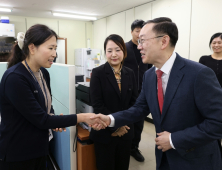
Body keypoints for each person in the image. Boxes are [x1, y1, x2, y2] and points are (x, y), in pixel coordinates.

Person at [90, 17, 222, 170]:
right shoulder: (150, 75)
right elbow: (139, 108)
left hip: (195, 161)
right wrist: (109, 119)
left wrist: (173, 139)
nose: (138, 47)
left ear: (164, 41)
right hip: (164, 158)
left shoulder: (199, 74)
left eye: (142, 41)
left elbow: (218, 122)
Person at [0, 24, 105, 170]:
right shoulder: (15, 78)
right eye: (50, 48)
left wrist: (54, 118)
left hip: (39, 148)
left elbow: (46, 107)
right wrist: (82, 117)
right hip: (18, 153)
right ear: (32, 48)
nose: (55, 53)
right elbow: (41, 119)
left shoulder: (43, 73)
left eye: (55, 48)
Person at [89, 34, 138, 170]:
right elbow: (97, 104)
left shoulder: (130, 73)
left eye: (118, 50)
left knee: (122, 166)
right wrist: (116, 126)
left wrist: (122, 125)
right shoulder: (98, 73)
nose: (114, 54)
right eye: (109, 51)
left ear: (124, 52)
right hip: (105, 133)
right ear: (105, 53)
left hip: (126, 133)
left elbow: (134, 103)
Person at [123, 19, 152, 162]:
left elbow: (151, 68)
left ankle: (134, 148)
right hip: (126, 91)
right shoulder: (124, 47)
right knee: (126, 121)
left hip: (142, 91)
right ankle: (124, 147)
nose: (140, 33)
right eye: (137, 31)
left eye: (142, 31)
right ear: (132, 32)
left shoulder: (147, 48)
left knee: (139, 124)